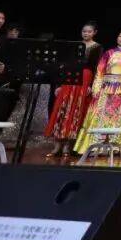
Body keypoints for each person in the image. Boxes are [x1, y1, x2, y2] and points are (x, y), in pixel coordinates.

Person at [74, 29, 121, 156]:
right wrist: (96, 88)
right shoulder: (109, 53)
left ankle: (113, 148)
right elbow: (100, 71)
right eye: (120, 36)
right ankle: (94, 147)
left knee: (117, 118)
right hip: (106, 89)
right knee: (99, 116)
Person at [45, 21, 102, 158]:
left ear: (94, 32)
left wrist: (91, 85)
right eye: (84, 31)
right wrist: (60, 85)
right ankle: (57, 144)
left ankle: (68, 145)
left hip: (85, 78)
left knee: (76, 110)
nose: (86, 33)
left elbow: (97, 68)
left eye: (89, 31)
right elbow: (66, 64)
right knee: (62, 109)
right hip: (70, 77)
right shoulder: (75, 45)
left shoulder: (97, 47)